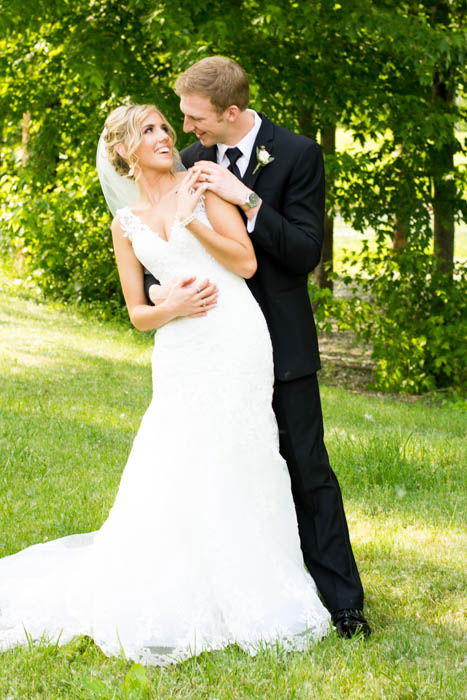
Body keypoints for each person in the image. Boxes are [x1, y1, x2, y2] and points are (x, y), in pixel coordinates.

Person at [0, 103, 331, 666]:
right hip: (179, 348)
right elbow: (136, 311)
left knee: (240, 450)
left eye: (163, 127)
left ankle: (249, 584)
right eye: (147, 130)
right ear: (124, 150)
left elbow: (247, 262)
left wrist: (196, 221)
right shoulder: (123, 222)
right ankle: (176, 577)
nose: (163, 136)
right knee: (175, 453)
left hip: (233, 334)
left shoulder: (201, 183)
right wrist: (169, 304)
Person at [144, 56, 370, 638]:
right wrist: (168, 297)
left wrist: (248, 199)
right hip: (216, 347)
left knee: (307, 468)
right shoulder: (191, 162)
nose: (186, 128)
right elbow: (165, 248)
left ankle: (343, 603)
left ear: (233, 112)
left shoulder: (297, 155)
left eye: (196, 118)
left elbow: (302, 253)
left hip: (282, 342)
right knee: (227, 468)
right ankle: (243, 592)